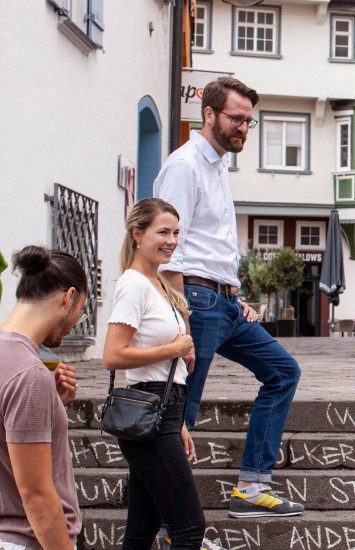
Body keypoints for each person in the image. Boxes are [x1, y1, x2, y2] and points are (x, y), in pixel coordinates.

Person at [154, 77, 304, 517]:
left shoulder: (218, 166)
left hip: (223, 302)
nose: (243, 128)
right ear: (209, 114)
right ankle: (172, 528)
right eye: (236, 118)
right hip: (196, 302)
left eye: (248, 122)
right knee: (182, 410)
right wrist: (180, 319)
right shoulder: (185, 166)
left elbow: (211, 243)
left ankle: (252, 487)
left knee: (283, 371)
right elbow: (168, 248)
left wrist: (234, 294)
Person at [102, 199, 222, 550]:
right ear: (138, 234)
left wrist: (178, 422)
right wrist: (174, 349)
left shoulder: (157, 283)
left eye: (176, 233)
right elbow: (113, 355)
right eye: (163, 232)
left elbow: (162, 368)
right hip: (149, 409)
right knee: (189, 527)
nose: (172, 241)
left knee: (142, 528)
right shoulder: (134, 284)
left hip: (163, 409)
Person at [0, 245, 84, 549]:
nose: (76, 321)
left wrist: (53, 404)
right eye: (81, 310)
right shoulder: (30, 374)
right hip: (25, 539)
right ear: (68, 297)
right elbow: (36, 496)